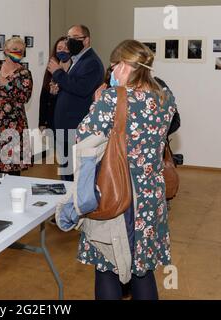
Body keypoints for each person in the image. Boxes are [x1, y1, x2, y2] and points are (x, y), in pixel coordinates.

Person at [70, 40, 177, 300]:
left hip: (117, 195)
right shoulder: (165, 98)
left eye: (115, 64)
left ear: (127, 66)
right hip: (151, 199)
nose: (112, 69)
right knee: (143, 269)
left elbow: (83, 140)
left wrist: (96, 103)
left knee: (107, 268)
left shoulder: (112, 99)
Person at [47, 25, 104, 181]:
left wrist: (58, 73)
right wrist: (57, 89)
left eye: (74, 38)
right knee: (67, 171)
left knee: (74, 173)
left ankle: (74, 203)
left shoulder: (91, 62)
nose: (69, 42)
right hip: (65, 125)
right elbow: (71, 86)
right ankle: (69, 200)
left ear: (86, 40)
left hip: (76, 126)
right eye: (68, 38)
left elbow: (82, 88)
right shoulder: (76, 60)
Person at [0, 37, 33, 176]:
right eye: (15, 49)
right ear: (6, 50)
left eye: (21, 51)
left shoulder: (24, 73)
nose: (18, 53)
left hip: (13, 125)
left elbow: (24, 97)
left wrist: (7, 84)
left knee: (11, 169)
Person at [39, 36, 71, 133]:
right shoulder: (51, 67)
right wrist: (42, 122)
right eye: (59, 48)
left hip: (68, 120)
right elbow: (44, 97)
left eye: (66, 49)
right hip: (51, 119)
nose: (63, 51)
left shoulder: (74, 70)